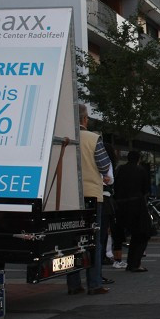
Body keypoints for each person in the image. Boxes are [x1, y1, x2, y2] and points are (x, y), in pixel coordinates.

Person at [67, 104, 113, 295]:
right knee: (93, 239)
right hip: (92, 195)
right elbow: (104, 166)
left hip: (68, 197)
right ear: (85, 119)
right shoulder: (94, 139)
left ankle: (74, 284)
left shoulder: (64, 139)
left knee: (73, 241)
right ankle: (94, 284)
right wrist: (106, 177)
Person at [115, 150, 152, 272]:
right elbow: (146, 189)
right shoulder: (141, 170)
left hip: (121, 206)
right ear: (138, 159)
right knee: (143, 234)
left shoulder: (120, 170)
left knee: (125, 235)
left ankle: (129, 262)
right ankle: (135, 263)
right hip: (137, 205)